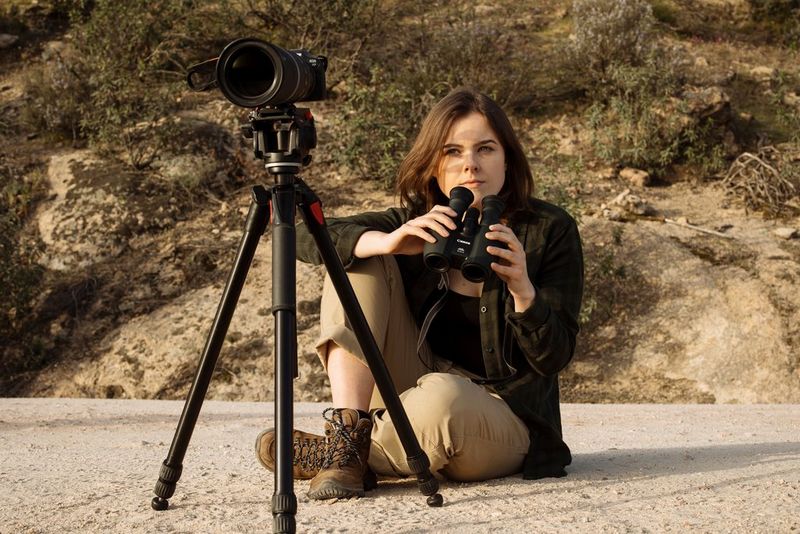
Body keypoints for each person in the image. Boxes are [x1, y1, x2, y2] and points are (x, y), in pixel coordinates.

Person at [255, 87, 584, 500]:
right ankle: (348, 429)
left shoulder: (549, 230)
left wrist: (523, 290)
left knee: (446, 396)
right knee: (360, 257)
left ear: (507, 159)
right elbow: (305, 234)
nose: (470, 166)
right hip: (411, 386)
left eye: (486, 149)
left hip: (502, 416)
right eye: (452, 152)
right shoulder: (419, 220)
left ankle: (343, 455)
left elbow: (556, 356)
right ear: (433, 164)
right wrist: (390, 242)